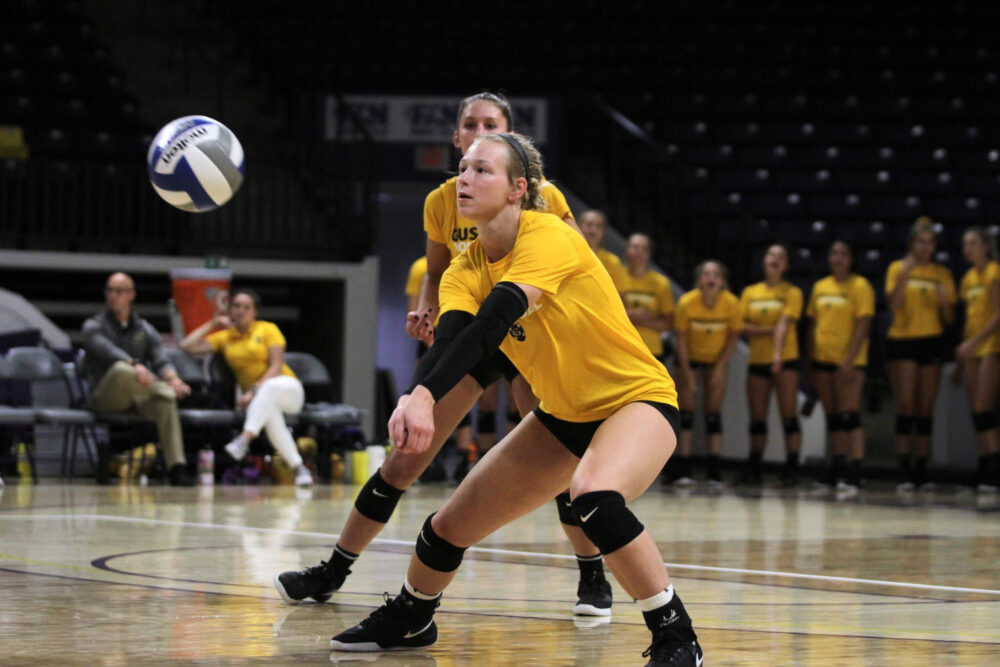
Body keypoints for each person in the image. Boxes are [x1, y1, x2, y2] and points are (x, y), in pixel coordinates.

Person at [328, 132, 703, 665]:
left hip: (636, 401)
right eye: (462, 168)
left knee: (592, 496)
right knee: (445, 529)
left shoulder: (549, 234)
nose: (464, 178)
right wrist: (419, 394)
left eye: (482, 170)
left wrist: (421, 398)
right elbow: (456, 342)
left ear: (516, 188)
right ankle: (412, 617)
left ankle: (676, 637)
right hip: (562, 418)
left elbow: (494, 322)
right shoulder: (464, 268)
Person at [276, 93, 612, 619]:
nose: (479, 131)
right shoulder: (445, 201)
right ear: (456, 139)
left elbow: (576, 267)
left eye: (491, 125)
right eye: (470, 125)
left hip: (535, 337)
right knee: (404, 456)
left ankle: (592, 575)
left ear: (512, 153)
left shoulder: (545, 201)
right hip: (474, 330)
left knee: (559, 458)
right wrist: (426, 305)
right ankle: (333, 570)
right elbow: (438, 269)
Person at [180, 288, 312, 486]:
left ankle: (245, 437)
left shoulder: (268, 329)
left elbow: (276, 366)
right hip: (262, 401)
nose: (241, 311)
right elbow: (186, 346)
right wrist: (213, 323)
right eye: (236, 306)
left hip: (288, 389)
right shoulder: (225, 337)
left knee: (270, 387)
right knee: (270, 415)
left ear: (254, 312)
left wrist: (252, 391)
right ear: (229, 310)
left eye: (246, 307)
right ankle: (299, 468)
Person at [82, 272, 193, 486]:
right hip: (104, 398)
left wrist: (174, 378)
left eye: (119, 291)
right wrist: (135, 366)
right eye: (110, 291)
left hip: (138, 396)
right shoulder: (94, 326)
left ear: (131, 294)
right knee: (122, 369)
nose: (113, 296)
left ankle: (176, 468)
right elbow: (109, 352)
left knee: (165, 403)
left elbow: (161, 360)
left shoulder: (145, 328)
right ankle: (168, 389)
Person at [885, 219, 956, 491]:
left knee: (926, 409)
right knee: (906, 406)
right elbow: (892, 304)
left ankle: (921, 467)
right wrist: (905, 275)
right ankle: (903, 466)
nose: (926, 247)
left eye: (930, 243)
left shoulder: (942, 273)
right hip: (903, 340)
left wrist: (943, 302)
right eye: (921, 242)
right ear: (912, 243)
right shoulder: (897, 268)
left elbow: (950, 318)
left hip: (932, 341)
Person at [805, 241, 875, 492]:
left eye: (844, 254)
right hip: (823, 359)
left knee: (849, 415)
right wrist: (811, 361)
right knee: (833, 417)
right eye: (834, 253)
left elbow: (864, 324)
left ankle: (857, 469)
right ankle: (837, 467)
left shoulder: (860, 286)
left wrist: (849, 360)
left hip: (850, 362)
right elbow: (813, 327)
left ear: (852, 259)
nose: (838, 258)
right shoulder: (820, 287)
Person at [670, 260, 742, 487]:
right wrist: (688, 373)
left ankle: (714, 469)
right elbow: (680, 339)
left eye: (716, 275)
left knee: (713, 415)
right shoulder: (687, 302)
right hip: (689, 359)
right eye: (706, 274)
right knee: (687, 414)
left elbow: (733, 337)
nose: (711, 278)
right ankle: (683, 466)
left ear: (722, 281)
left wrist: (721, 365)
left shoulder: (731, 303)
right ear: (699, 280)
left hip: (716, 360)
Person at [738, 245, 803, 486]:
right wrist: (768, 329)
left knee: (789, 416)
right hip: (757, 359)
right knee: (757, 419)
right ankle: (754, 466)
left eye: (780, 257)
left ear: (786, 265)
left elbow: (784, 325)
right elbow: (741, 325)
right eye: (770, 255)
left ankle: (792, 467)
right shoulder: (750, 292)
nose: (774, 260)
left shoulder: (792, 292)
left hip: (785, 359)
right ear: (764, 261)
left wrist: (776, 354)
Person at [406, 255, 475, 481]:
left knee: (458, 398)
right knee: (425, 397)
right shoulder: (420, 267)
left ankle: (463, 460)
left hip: (458, 335)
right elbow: (415, 310)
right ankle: (427, 459)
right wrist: (431, 344)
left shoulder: (465, 262)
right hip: (433, 338)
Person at [952, 227, 1000, 492]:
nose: (967, 249)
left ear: (986, 246)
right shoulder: (968, 279)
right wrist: (961, 359)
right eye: (964, 244)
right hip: (972, 350)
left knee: (984, 406)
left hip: (991, 346)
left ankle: (994, 466)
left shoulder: (994, 272)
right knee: (976, 410)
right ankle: (984, 465)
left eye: (972, 243)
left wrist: (974, 343)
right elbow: (968, 321)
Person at [620, 232, 675, 365]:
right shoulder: (615, 276)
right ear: (627, 250)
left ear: (649, 254)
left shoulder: (661, 283)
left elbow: (669, 323)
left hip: (651, 350)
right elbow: (609, 315)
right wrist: (640, 315)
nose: (639, 252)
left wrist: (640, 321)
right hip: (622, 347)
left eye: (644, 248)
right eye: (635, 247)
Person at [579, 209, 627, 288]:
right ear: (579, 227)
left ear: (603, 231)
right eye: (589, 225)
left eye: (598, 226)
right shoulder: (567, 255)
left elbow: (619, 294)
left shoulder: (613, 262)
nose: (593, 230)